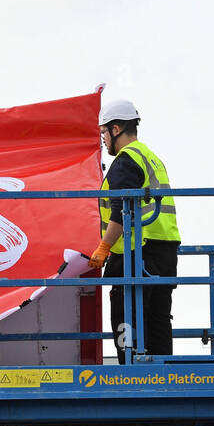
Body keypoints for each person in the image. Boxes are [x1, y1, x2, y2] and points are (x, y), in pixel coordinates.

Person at [88, 99, 180, 364]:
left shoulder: (125, 162)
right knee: (158, 317)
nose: (103, 140)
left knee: (124, 314)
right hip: (164, 247)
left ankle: (129, 372)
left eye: (104, 133)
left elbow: (120, 210)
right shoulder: (150, 156)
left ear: (116, 129)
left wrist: (104, 247)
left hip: (137, 251)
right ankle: (165, 374)